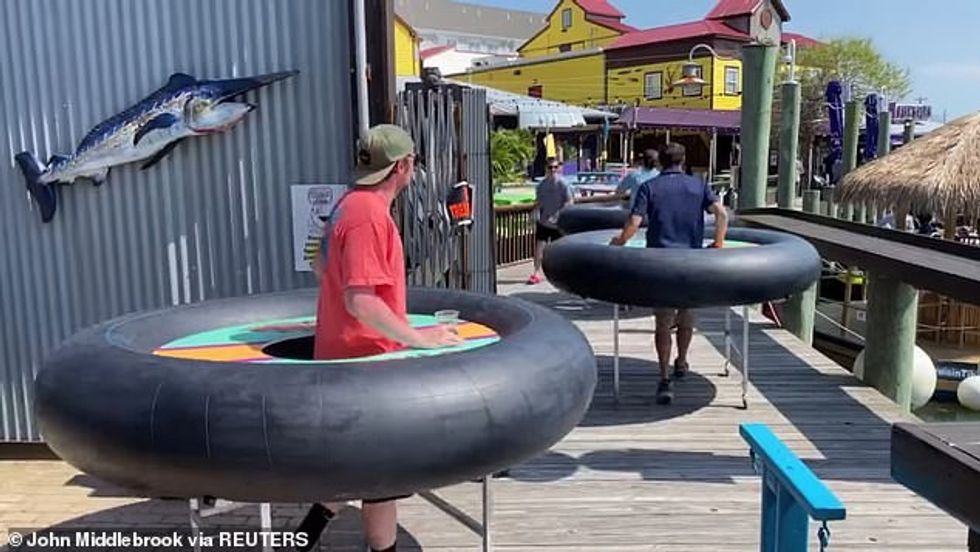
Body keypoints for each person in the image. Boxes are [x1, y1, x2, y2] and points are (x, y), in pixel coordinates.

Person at [299, 124, 463, 552]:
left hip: (342, 358)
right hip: (365, 367)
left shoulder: (344, 206)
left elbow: (318, 266)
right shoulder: (369, 217)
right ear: (403, 166)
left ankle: (300, 539)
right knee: (379, 478)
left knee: (366, 478)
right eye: (414, 162)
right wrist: (418, 337)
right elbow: (361, 302)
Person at [608, 143, 729, 405]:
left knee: (662, 324)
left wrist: (620, 241)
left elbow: (634, 222)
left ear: (661, 162)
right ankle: (682, 361)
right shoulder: (698, 185)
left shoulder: (650, 187)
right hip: (691, 263)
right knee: (687, 318)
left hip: (661, 264)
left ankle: (664, 378)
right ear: (683, 161)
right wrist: (719, 242)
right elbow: (721, 213)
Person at [527, 157, 573, 285]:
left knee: (559, 250)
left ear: (559, 168)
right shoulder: (541, 185)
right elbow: (539, 202)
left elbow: (570, 201)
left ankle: (562, 274)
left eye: (555, 167)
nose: (553, 170)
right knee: (539, 247)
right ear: (546, 169)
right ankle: (536, 273)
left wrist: (559, 214)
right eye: (550, 167)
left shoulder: (564, 184)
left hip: (559, 223)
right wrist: (533, 214)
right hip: (544, 221)